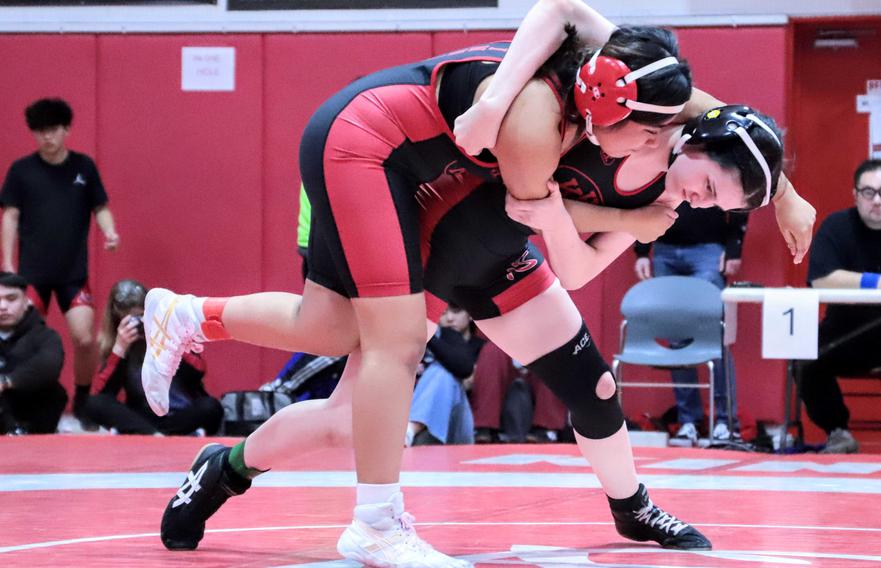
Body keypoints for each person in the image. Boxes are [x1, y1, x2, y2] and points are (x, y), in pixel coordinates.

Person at [147, 1, 798, 562]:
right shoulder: (610, 103)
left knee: (592, 388)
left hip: (493, 249)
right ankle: (270, 484)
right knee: (359, 390)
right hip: (433, 223)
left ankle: (633, 508)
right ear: (680, 136)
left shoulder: (661, 140)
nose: (700, 202)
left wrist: (781, 195)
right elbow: (539, 203)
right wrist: (611, 208)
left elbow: (580, 244)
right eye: (708, 187)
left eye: (719, 204)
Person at [0, 97, 120, 425]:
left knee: (84, 338)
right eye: (39, 132)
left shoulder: (83, 167)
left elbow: (101, 207)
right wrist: (8, 265)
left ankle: (82, 397)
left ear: (66, 130)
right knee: (22, 340)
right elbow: (9, 216)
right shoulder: (21, 171)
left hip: (72, 272)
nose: (46, 138)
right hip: (31, 274)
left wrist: (110, 232)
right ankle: (18, 400)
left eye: (52, 130)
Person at [800, 158, 881, 454]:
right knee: (805, 355)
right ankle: (837, 431)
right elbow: (821, 280)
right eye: (868, 192)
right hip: (849, 335)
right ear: (855, 195)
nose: (877, 200)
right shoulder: (836, 227)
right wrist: (874, 282)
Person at [632, 203, 747, 445]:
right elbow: (647, 196)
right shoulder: (660, 163)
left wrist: (734, 245)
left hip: (709, 248)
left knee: (714, 334)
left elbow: (739, 196)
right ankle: (689, 420)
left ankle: (725, 421)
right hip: (664, 247)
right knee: (676, 336)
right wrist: (642, 251)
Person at [82, 280, 222, 436]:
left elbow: (199, 371)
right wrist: (120, 349)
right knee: (93, 403)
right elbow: (103, 393)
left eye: (141, 316)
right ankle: (152, 433)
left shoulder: (169, 327)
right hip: (143, 415)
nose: (139, 324)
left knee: (211, 407)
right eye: (131, 319)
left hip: (180, 413)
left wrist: (171, 342)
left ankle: (147, 433)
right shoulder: (120, 342)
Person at [406, 304, 485, 446]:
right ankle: (412, 431)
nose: (449, 318)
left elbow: (464, 368)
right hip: (409, 417)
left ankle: (412, 428)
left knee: (442, 373)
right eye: (442, 313)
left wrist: (427, 337)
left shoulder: (451, 336)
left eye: (456, 311)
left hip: (458, 427)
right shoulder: (406, 342)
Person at [0, 271, 66, 434]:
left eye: (11, 299)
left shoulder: (45, 336)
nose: (2, 306)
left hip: (32, 415)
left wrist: (6, 381)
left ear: (27, 302)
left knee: (55, 391)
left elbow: (49, 366)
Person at [471, 341, 567, 443]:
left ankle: (546, 429)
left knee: (551, 349)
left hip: (542, 350)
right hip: (506, 367)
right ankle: (483, 428)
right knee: (492, 349)